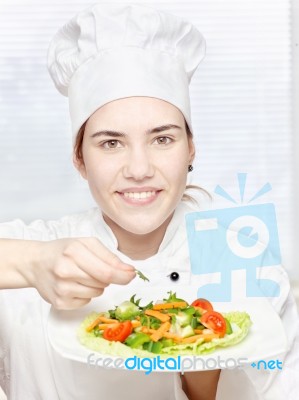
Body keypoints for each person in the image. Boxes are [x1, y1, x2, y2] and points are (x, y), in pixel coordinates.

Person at [0, 3, 298, 400]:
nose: (139, 169)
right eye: (111, 143)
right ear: (80, 159)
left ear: (191, 148)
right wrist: (30, 263)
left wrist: (202, 376)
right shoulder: (35, 253)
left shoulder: (244, 261)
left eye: (162, 139)